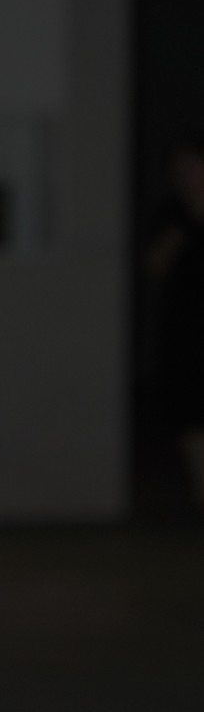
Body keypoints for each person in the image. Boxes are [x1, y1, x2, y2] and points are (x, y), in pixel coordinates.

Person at [148, 133, 204, 511]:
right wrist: (176, 236)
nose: (188, 177)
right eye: (180, 170)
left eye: (194, 167)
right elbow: (153, 266)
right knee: (192, 412)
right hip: (187, 325)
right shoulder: (173, 214)